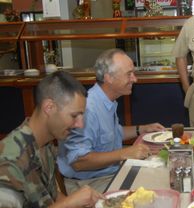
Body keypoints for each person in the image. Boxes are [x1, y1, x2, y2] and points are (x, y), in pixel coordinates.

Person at [0, 71, 103, 208]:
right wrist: (67, 203)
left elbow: (51, 197)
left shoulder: (44, 144)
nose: (80, 124)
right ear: (49, 107)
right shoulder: (11, 160)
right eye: (74, 116)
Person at [57, 48, 164, 194]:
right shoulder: (88, 108)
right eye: (129, 74)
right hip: (87, 183)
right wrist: (124, 153)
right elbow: (79, 162)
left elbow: (112, 133)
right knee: (152, 193)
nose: (135, 79)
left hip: (109, 174)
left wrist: (141, 129)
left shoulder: (107, 101)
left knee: (160, 176)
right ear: (109, 78)